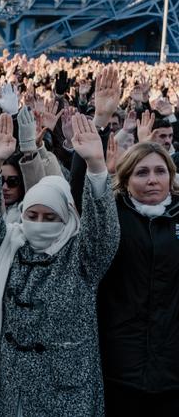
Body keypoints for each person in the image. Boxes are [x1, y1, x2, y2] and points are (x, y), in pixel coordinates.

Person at [0, 113, 120, 416]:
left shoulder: (82, 255)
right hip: (7, 385)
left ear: (67, 219)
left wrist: (97, 169)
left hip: (64, 388)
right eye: (32, 215)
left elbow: (104, 231)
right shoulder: (10, 244)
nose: (38, 224)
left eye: (50, 217)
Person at [99, 141, 179, 416]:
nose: (153, 180)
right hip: (121, 364)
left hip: (172, 367)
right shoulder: (112, 217)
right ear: (126, 178)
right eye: (142, 172)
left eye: (160, 171)